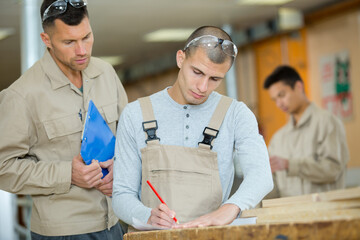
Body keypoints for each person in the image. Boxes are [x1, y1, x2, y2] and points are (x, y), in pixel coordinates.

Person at [112, 26, 273, 230]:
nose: (203, 87)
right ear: (181, 59)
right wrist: (148, 216)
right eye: (197, 72)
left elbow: (261, 175)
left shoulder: (236, 114)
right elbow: (121, 195)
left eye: (215, 79)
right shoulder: (135, 114)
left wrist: (231, 207)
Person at [0, 0, 128, 239]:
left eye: (87, 37)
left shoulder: (107, 74)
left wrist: (121, 167)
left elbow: (130, 139)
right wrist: (67, 174)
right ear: (46, 40)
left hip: (114, 222)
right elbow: (3, 168)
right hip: (62, 233)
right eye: (69, 42)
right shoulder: (21, 96)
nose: (82, 50)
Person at [263, 65, 349, 198]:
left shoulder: (327, 122)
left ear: (298, 86)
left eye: (282, 95)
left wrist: (289, 165)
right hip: (289, 216)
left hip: (325, 215)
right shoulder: (278, 138)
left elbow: (333, 169)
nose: (279, 103)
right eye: (275, 100)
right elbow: (271, 184)